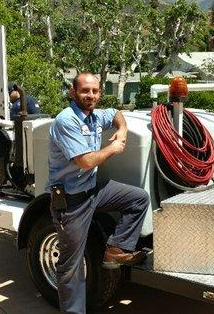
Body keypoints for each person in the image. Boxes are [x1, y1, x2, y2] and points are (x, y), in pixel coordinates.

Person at [48, 72, 149, 314]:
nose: (90, 95)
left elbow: (115, 113)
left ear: (99, 93)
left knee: (139, 199)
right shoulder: (67, 120)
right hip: (71, 202)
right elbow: (86, 161)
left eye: (94, 91)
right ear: (73, 92)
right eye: (84, 91)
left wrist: (122, 130)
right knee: (71, 266)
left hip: (93, 191)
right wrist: (114, 147)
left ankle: (115, 250)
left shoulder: (94, 116)